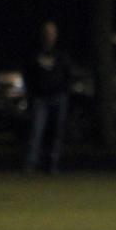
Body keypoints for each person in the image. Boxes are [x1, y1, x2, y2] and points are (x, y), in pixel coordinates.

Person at [22, 21, 73, 173]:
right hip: (40, 99)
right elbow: (28, 75)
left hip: (58, 98)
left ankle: (52, 165)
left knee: (56, 134)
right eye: (47, 33)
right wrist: (32, 93)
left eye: (52, 33)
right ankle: (30, 164)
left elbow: (68, 75)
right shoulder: (35, 54)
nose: (49, 36)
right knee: (36, 132)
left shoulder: (60, 55)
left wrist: (64, 91)